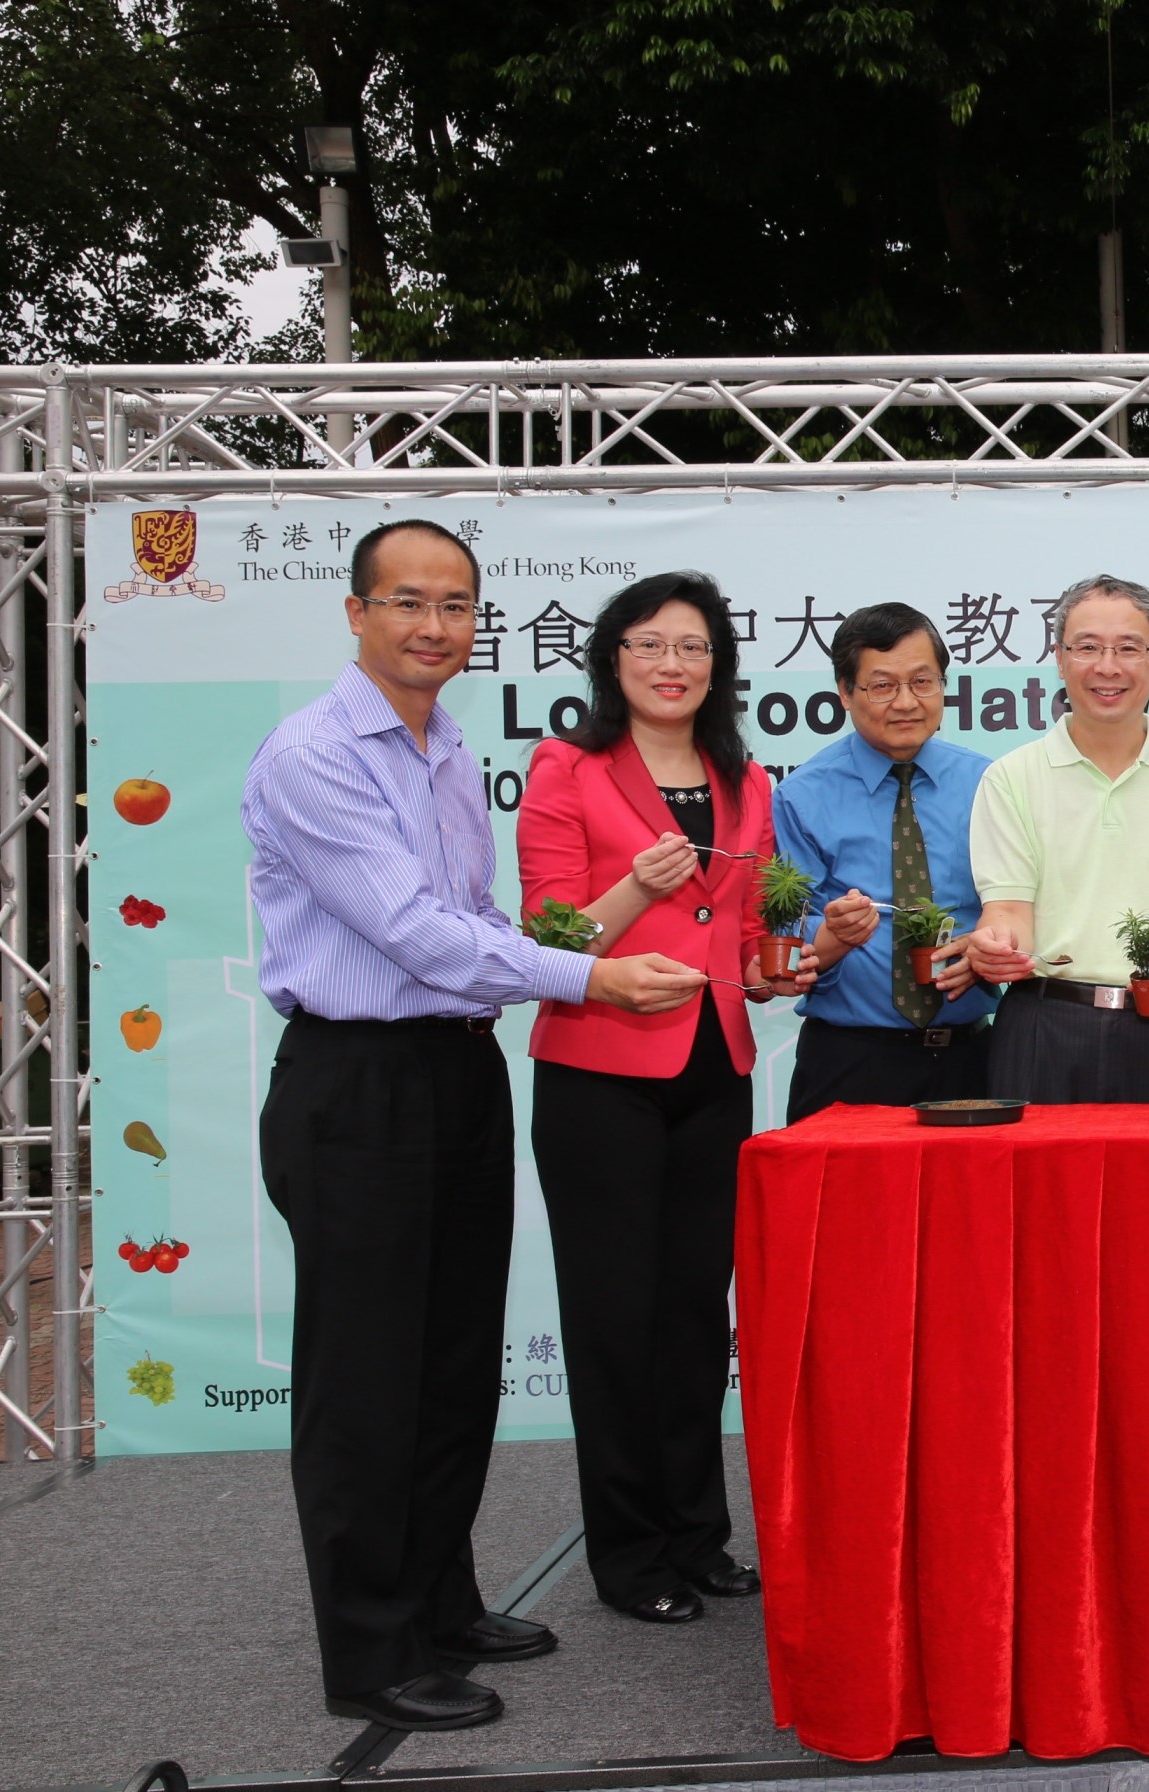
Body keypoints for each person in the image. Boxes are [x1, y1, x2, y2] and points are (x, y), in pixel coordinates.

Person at [245, 520, 703, 1732]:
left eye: (455, 605)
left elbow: (480, 917)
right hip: (356, 1083)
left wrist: (572, 955)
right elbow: (415, 932)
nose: (434, 625)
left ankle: (440, 1601)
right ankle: (370, 1649)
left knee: (451, 1364)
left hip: (457, 1071)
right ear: (357, 613)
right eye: (407, 602)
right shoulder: (314, 755)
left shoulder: (445, 746)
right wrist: (592, 980)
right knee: (365, 1379)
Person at [516, 572, 810, 1626]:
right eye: (649, 645)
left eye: (693, 646)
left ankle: (701, 1534)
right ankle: (630, 1555)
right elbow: (547, 938)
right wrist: (636, 886)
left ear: (720, 665)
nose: (672, 664)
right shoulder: (567, 767)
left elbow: (739, 940)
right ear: (612, 659)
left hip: (712, 1068)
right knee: (613, 1321)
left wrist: (790, 961)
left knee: (695, 1315)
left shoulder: (748, 779)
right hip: (597, 1072)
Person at [958, 576, 1149, 1101]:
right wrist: (998, 946)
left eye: (1129, 648)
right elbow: (1008, 908)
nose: (1108, 667)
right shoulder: (1012, 777)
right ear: (1059, 659)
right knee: (1037, 1186)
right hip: (1042, 1026)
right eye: (1087, 648)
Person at [771, 603, 991, 1120]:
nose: (907, 702)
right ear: (845, 692)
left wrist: (989, 945)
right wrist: (832, 937)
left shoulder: (990, 785)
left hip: (972, 1057)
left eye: (923, 681)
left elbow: (1025, 908)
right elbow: (786, 949)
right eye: (883, 686)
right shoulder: (801, 796)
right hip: (849, 1060)